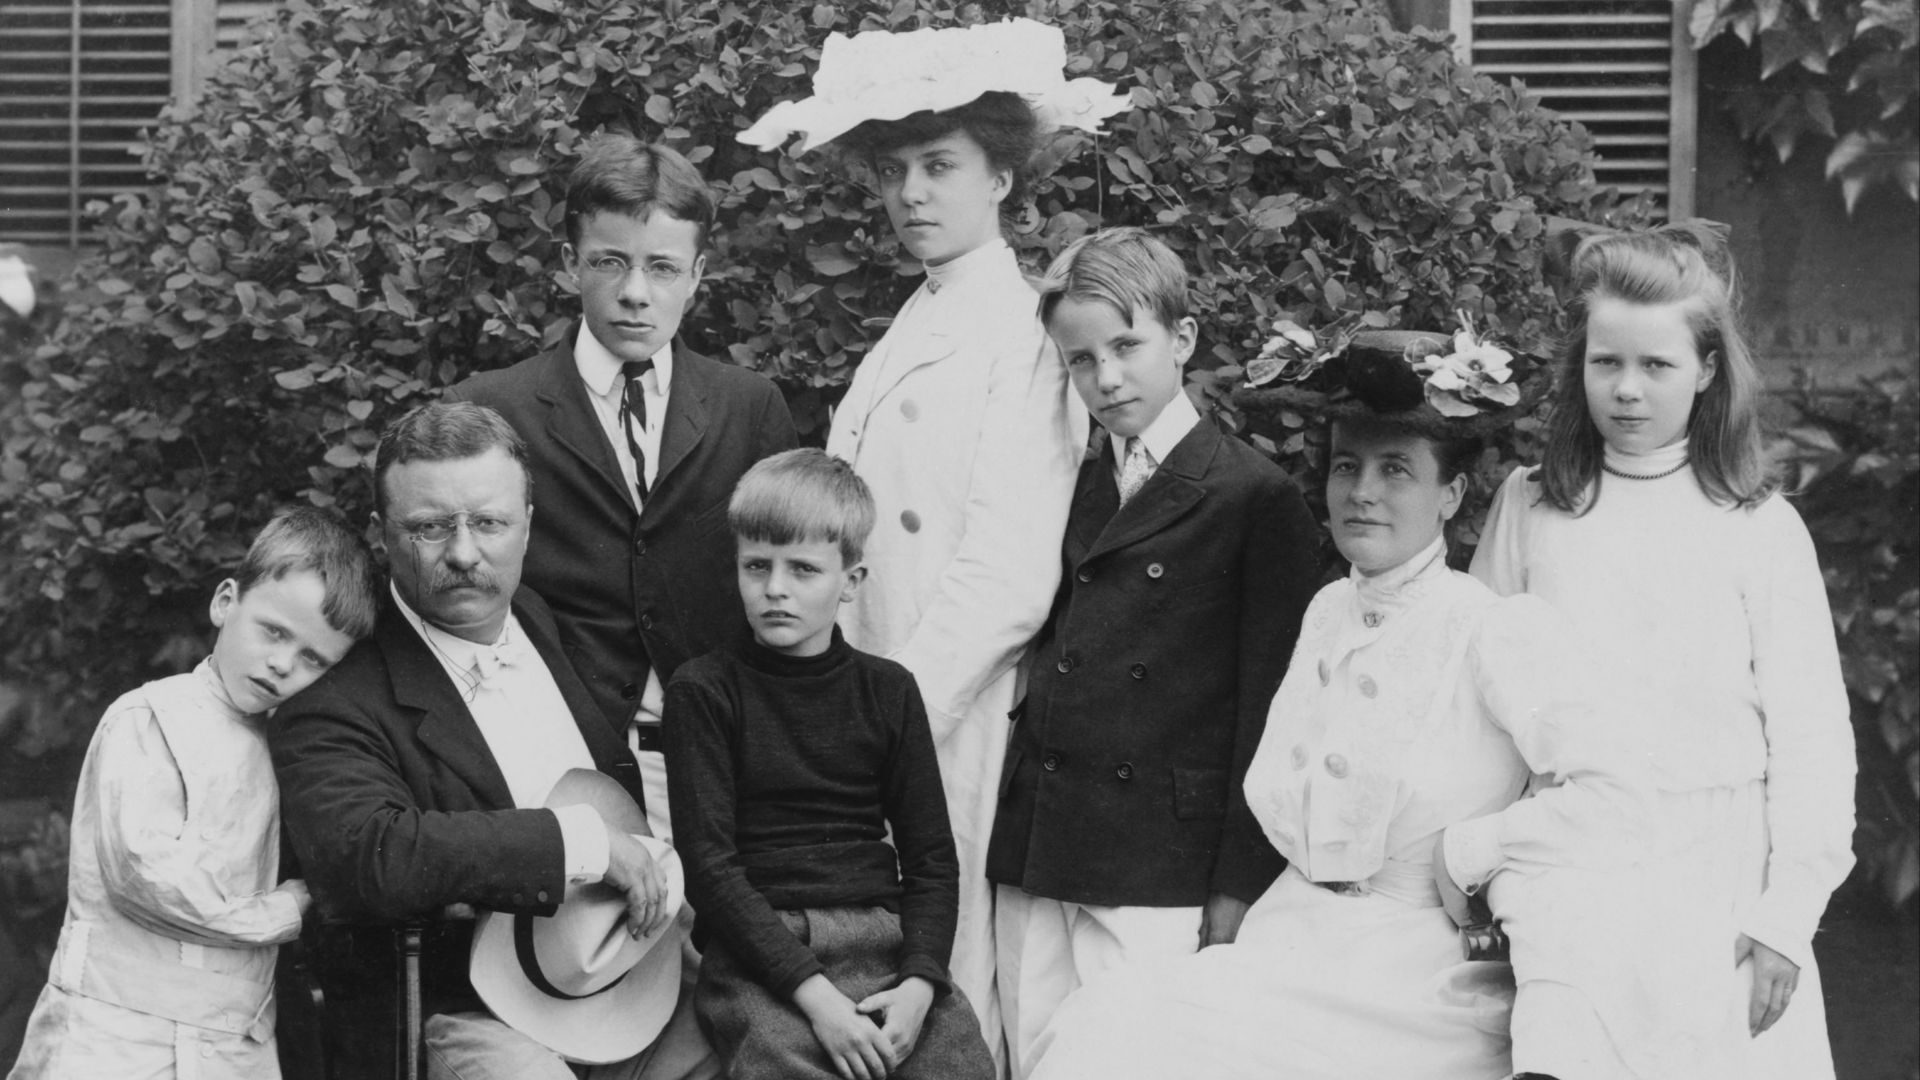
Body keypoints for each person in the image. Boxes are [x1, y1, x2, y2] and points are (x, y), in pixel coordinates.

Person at [1025, 332, 1654, 1080]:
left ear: (1450, 495)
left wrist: (1474, 853)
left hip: (1416, 972)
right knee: (1100, 1027)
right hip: (1291, 937)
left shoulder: (1489, 628)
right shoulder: (1328, 609)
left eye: (1397, 471)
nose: (1362, 492)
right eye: (1346, 467)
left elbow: (1615, 790)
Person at [738, 20, 1126, 1061]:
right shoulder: (914, 322)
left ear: (1002, 177)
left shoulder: (1024, 333)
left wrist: (883, 723)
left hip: (944, 718)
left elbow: (1007, 574)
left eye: (941, 166)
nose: (912, 194)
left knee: (944, 986)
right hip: (866, 713)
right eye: (896, 170)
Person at [1471, 223, 1856, 1079]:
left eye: (1658, 366)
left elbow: (1813, 740)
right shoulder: (1531, 507)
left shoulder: (1759, 528)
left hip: (1720, 880)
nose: (1629, 391)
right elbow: (1481, 714)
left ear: (1708, 370)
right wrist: (1484, 859)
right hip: (1573, 876)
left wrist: (1785, 916)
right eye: (1607, 363)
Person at [269, 402, 716, 1080]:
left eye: (489, 522)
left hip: (621, 980)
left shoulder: (535, 618)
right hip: (470, 1015)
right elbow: (369, 859)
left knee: (770, 1032)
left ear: (528, 525)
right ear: (381, 533)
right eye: (429, 527)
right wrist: (581, 845)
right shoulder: (334, 695)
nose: (464, 553)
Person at [981, 228, 1320, 1077]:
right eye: (1080, 359)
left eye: (1127, 345)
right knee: (1029, 1054)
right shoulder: (1073, 474)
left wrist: (1237, 886)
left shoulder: (1254, 495)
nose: (1107, 378)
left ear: (1185, 338)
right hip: (1043, 840)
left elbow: (1270, 713)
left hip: (1159, 860)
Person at [449, 133, 797, 843]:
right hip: (553, 768)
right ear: (571, 263)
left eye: (663, 268)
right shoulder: (494, 409)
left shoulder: (749, 407)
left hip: (722, 766)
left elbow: (786, 589)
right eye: (611, 263)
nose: (636, 293)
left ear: (698, 274)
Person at [8, 508, 377, 1080]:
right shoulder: (150, 716)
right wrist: (289, 907)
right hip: (114, 1042)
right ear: (226, 602)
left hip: (232, 1051)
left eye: (313, 659)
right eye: (274, 631)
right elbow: (148, 877)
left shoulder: (291, 748)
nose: (282, 664)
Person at [663, 449, 994, 1080]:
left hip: (884, 941)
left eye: (804, 569)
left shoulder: (888, 690)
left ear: (851, 581)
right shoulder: (704, 690)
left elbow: (931, 859)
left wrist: (921, 982)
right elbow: (710, 869)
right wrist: (819, 1002)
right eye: (756, 565)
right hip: (764, 954)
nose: (775, 588)